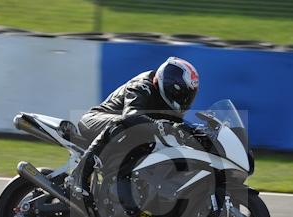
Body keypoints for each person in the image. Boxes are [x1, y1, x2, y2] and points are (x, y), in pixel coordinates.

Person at [68, 56, 200, 196]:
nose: (184, 99)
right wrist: (163, 127)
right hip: (95, 120)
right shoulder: (142, 85)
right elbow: (132, 117)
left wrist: (195, 132)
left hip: (125, 131)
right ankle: (78, 176)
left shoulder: (170, 104)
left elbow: (176, 127)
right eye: (180, 94)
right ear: (168, 85)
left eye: (188, 96)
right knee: (123, 125)